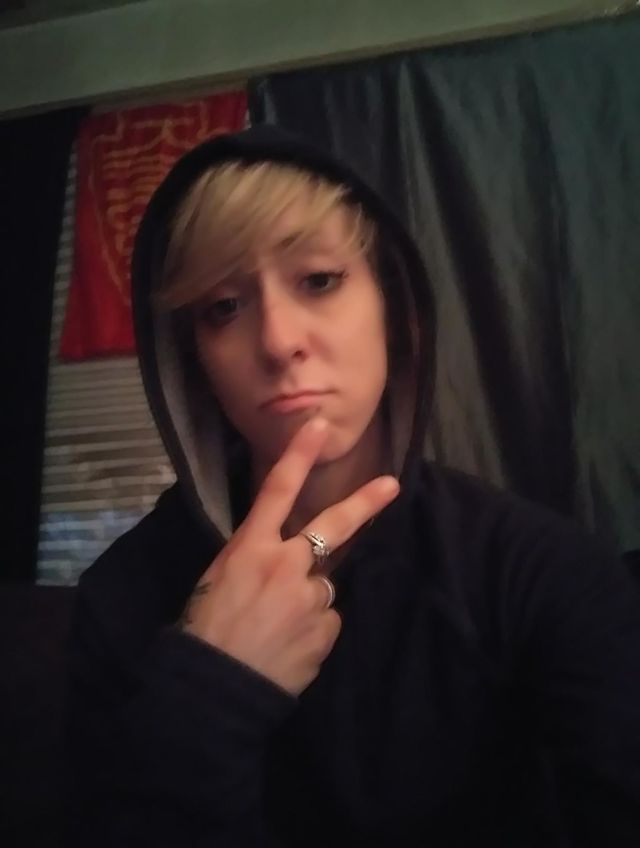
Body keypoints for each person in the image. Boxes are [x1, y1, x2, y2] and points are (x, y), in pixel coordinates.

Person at [67, 125, 640, 847]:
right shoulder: (121, 594)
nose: (278, 341)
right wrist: (209, 689)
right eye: (223, 306)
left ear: (394, 312)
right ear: (194, 362)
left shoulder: (543, 572)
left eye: (319, 280)